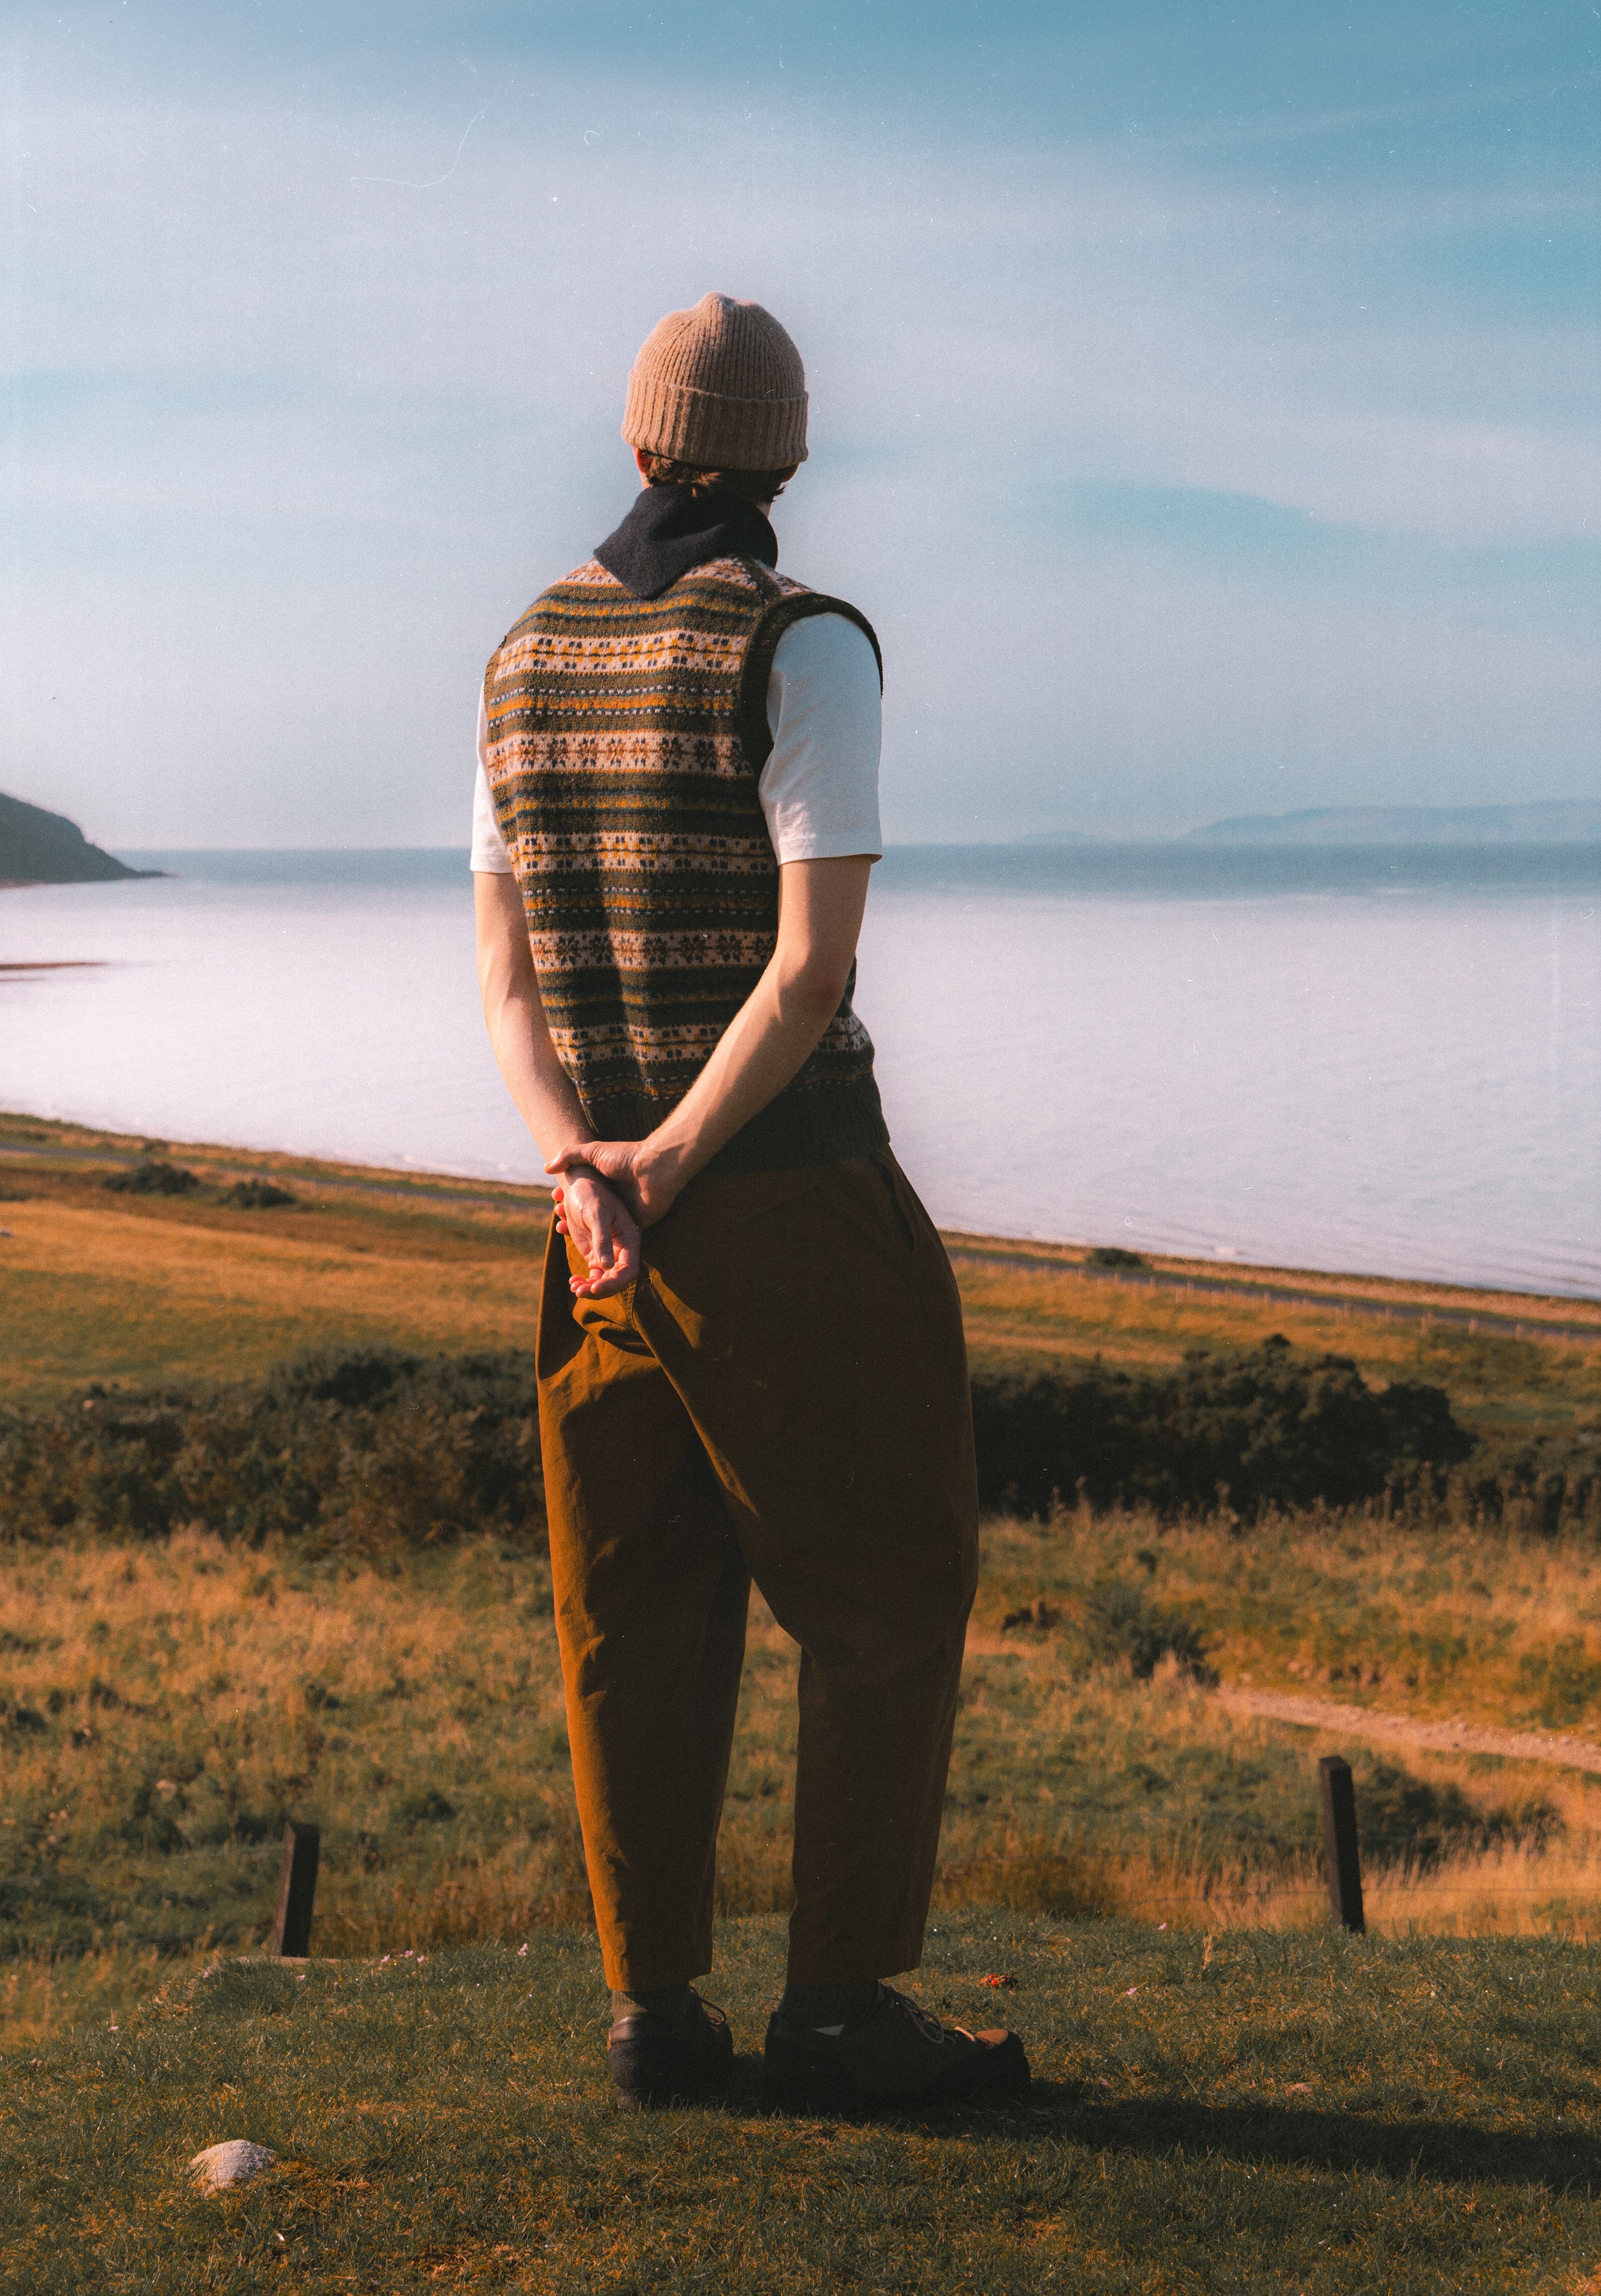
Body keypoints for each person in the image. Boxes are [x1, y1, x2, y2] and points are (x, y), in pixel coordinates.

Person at [472, 292, 1027, 2111]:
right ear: (785, 454)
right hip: (783, 1196)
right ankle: (842, 2009)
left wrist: (586, 1167)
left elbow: (503, 982)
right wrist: (673, 1164)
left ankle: (656, 2015)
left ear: (640, 441)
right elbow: (805, 979)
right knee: (883, 1589)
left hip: (589, 1229)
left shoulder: (521, 655)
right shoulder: (799, 647)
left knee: (633, 1604)